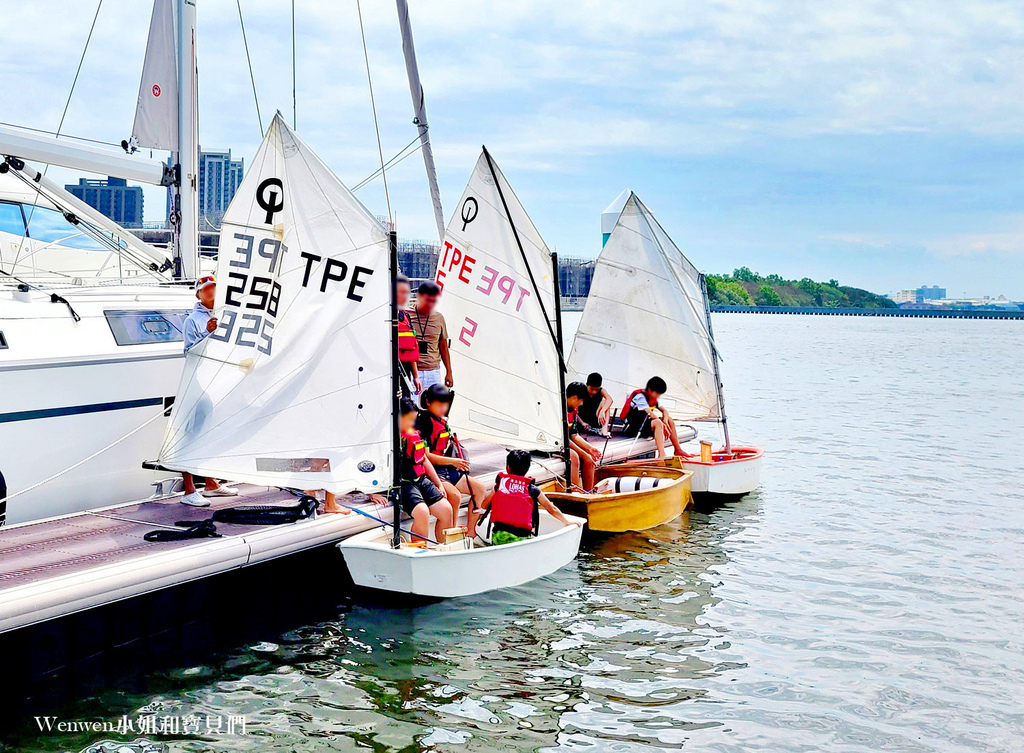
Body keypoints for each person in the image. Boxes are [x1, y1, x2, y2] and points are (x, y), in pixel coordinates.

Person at [179, 275, 237, 507]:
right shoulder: (193, 320)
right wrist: (208, 333)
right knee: (191, 433)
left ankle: (211, 483)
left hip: (219, 381)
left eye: (214, 287)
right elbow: (190, 351)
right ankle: (189, 490)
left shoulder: (224, 313)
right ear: (198, 294)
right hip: (199, 382)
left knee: (209, 430)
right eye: (206, 289)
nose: (211, 291)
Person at [376, 397, 454, 543]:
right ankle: (420, 552)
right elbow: (372, 466)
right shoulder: (386, 440)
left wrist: (439, 483)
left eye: (414, 420)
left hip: (420, 479)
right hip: (403, 484)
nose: (412, 424)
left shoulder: (412, 435)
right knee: (422, 512)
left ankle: (443, 547)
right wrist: (373, 493)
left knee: (446, 510)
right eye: (409, 420)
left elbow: (423, 458)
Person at [415, 385, 488, 538]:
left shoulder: (441, 421)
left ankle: (471, 531)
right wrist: (453, 461)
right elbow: (426, 455)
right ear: (428, 402)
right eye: (440, 405)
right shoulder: (423, 423)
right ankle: (450, 537)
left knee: (480, 489)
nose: (443, 408)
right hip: (434, 471)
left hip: (448, 469)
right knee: (454, 496)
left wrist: (454, 462)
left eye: (446, 405)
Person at [476, 449, 577, 545]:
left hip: (500, 537)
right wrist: (567, 522)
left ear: (508, 468)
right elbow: (552, 508)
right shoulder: (532, 489)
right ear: (528, 468)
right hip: (522, 538)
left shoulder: (499, 486)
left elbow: (484, 506)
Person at [621, 376, 686, 459]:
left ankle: (678, 449)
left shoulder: (653, 398)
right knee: (658, 422)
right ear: (650, 390)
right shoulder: (639, 397)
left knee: (669, 419)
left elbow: (665, 411)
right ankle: (661, 454)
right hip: (631, 427)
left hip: (642, 425)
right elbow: (651, 414)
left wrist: (665, 421)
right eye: (657, 393)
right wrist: (663, 425)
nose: (658, 396)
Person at [409, 280, 453, 391]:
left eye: (434, 301)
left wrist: (449, 372)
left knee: (432, 406)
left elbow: (443, 346)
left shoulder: (439, 318)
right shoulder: (406, 314)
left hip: (433, 371)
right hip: (412, 371)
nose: (430, 304)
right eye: (427, 300)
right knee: (411, 406)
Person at [566, 381, 601, 492]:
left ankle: (588, 493)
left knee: (589, 459)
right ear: (574, 398)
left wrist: (590, 448)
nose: (581, 404)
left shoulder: (573, 410)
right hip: (556, 443)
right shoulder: (560, 410)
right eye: (581, 401)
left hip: (566, 442)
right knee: (575, 457)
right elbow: (563, 440)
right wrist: (584, 453)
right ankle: (576, 493)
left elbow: (574, 435)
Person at [395, 274, 421, 397]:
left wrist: (416, 377)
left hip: (406, 372)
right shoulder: (386, 316)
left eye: (407, 293)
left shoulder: (406, 316)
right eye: (402, 292)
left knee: (407, 404)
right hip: (391, 371)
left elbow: (411, 349)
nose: (405, 296)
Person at [577, 372, 614, 437]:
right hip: (582, 419)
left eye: (596, 389)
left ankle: (604, 430)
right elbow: (574, 410)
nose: (594, 391)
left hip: (596, 418)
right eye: (591, 389)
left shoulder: (601, 391)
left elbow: (610, 400)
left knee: (605, 402)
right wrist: (582, 423)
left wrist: (602, 411)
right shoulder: (582, 390)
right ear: (587, 385)